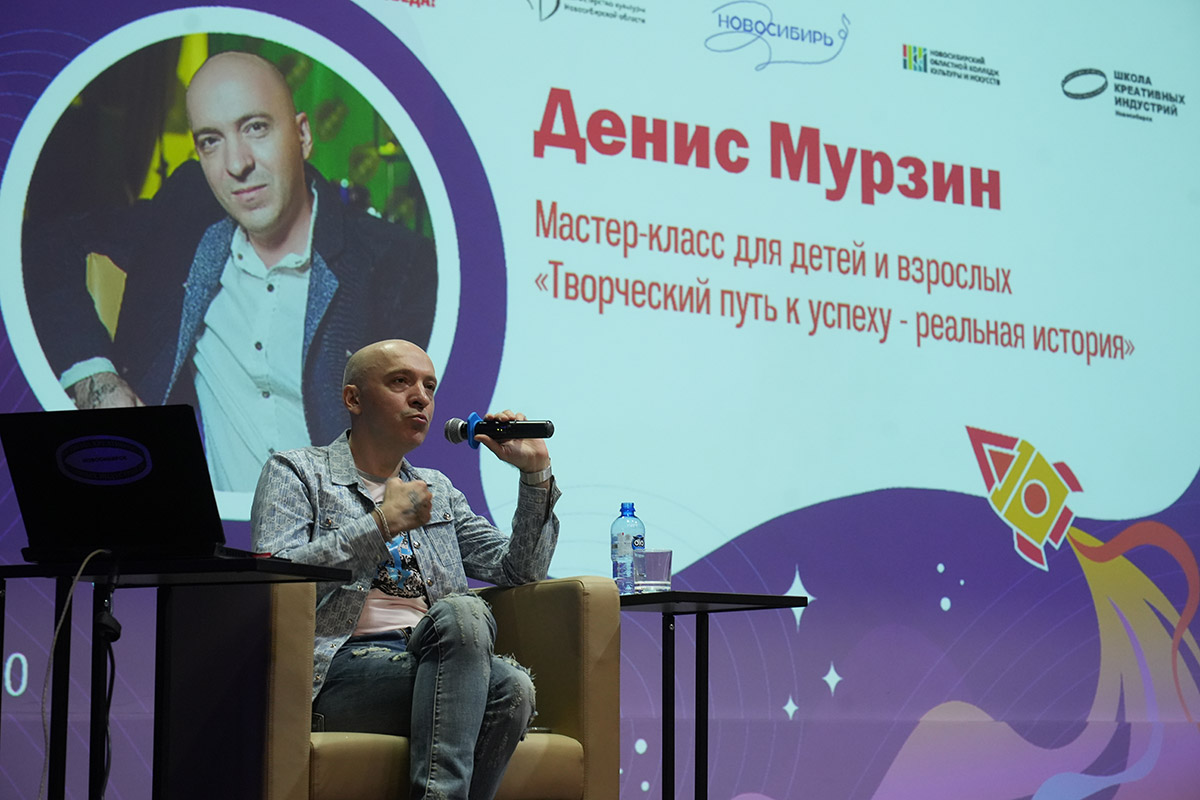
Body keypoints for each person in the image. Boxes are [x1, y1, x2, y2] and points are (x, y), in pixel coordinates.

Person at [23, 51, 437, 491]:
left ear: (302, 135)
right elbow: (43, 245)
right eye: (210, 141)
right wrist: (96, 378)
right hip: (199, 526)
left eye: (255, 128)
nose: (237, 164)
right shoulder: (185, 219)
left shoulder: (397, 264)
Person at [250, 339, 559, 800]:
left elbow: (519, 570)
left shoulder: (436, 489)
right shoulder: (297, 472)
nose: (421, 397)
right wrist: (381, 524)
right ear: (353, 399)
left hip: (439, 656)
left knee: (511, 685)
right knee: (466, 618)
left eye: (429, 387)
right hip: (338, 669)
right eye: (401, 382)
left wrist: (535, 474)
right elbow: (276, 581)